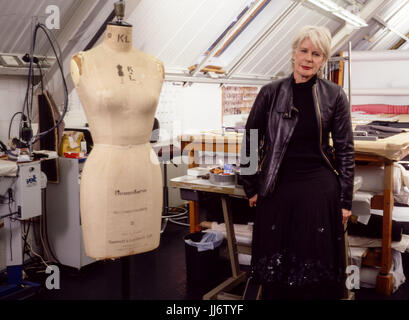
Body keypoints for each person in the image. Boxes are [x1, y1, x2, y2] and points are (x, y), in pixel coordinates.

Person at [240, 25, 354, 300]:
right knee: (277, 269)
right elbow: (250, 140)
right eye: (304, 51)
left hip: (318, 188)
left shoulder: (335, 95)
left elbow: (345, 148)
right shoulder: (270, 92)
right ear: (293, 53)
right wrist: (250, 186)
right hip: (277, 187)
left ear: (323, 60)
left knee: (314, 266)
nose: (308, 58)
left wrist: (345, 199)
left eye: (316, 54)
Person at [70, 17, 165, 260]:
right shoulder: (84, 61)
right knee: (105, 243)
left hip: (146, 168)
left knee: (146, 239)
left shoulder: (154, 65)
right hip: (105, 170)